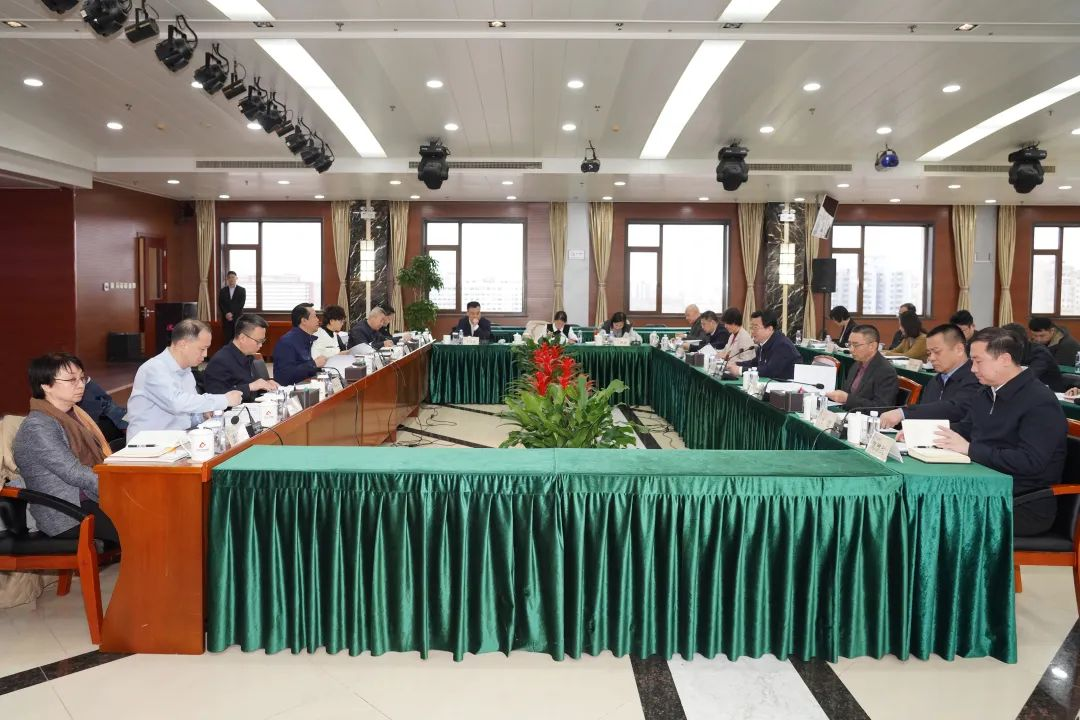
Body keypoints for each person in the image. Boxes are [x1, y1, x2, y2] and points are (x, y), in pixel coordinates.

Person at [934, 327, 1067, 536]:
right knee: (925, 503)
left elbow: (1030, 461)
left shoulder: (1040, 402)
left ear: (1004, 359)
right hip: (984, 488)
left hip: (1023, 502)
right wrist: (923, 432)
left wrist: (970, 450)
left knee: (939, 516)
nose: (972, 369)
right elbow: (966, 428)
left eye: (978, 361)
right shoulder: (986, 392)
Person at [13, 353, 120, 543]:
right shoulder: (38, 426)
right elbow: (73, 472)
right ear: (45, 385)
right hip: (68, 513)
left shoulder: (76, 415)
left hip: (91, 499)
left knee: (156, 514)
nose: (80, 385)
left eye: (82, 378)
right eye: (71, 380)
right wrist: (118, 486)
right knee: (142, 527)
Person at [124, 319, 243, 439]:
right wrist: (224, 400)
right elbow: (177, 403)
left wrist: (202, 415)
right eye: (202, 349)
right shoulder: (154, 368)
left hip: (176, 440)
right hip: (148, 444)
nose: (205, 354)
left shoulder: (186, 371)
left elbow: (187, 413)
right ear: (183, 345)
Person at [880, 324, 981, 429]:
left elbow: (956, 409)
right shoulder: (935, 381)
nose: (931, 358)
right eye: (929, 353)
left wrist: (903, 413)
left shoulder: (976, 378)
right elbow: (925, 413)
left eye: (937, 352)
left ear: (959, 349)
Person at [203, 314, 280, 402]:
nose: (261, 345)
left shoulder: (248, 356)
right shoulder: (220, 361)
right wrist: (250, 387)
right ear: (242, 338)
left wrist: (265, 385)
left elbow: (252, 387)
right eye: (258, 341)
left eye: (263, 341)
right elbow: (215, 396)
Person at [826, 325, 898, 411]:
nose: (851, 349)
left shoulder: (886, 371)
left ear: (872, 346)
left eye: (856, 345)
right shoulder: (856, 365)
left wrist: (847, 399)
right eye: (849, 344)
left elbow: (881, 408)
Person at [737, 309, 800, 380]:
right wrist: (735, 365)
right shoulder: (763, 344)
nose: (752, 331)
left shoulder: (782, 345)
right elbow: (754, 363)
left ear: (769, 329)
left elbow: (769, 371)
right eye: (751, 328)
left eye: (755, 327)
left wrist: (740, 370)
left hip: (785, 385)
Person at [273, 303, 328, 386]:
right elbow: (285, 376)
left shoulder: (305, 339)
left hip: (305, 385)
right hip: (291, 390)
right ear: (304, 321)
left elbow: (305, 369)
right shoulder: (287, 342)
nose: (318, 320)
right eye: (315, 316)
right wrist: (314, 364)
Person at [1003, 323, 1065, 392]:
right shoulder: (1007, 352)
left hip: (1050, 392)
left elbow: (1030, 375)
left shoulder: (1040, 352)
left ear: (1020, 342)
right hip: (1026, 390)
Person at [78, 378, 127, 447]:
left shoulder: (88, 389)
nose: (81, 384)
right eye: (71, 379)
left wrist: (126, 424)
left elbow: (108, 405)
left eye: (82, 378)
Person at [217, 271, 246, 343]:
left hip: (237, 318)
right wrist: (226, 313)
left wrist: (231, 313)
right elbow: (221, 303)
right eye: (229, 277)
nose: (231, 279)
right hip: (226, 319)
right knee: (227, 339)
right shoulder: (223, 290)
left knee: (237, 339)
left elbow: (241, 304)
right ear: (227, 279)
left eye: (233, 277)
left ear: (236, 278)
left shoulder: (242, 290)